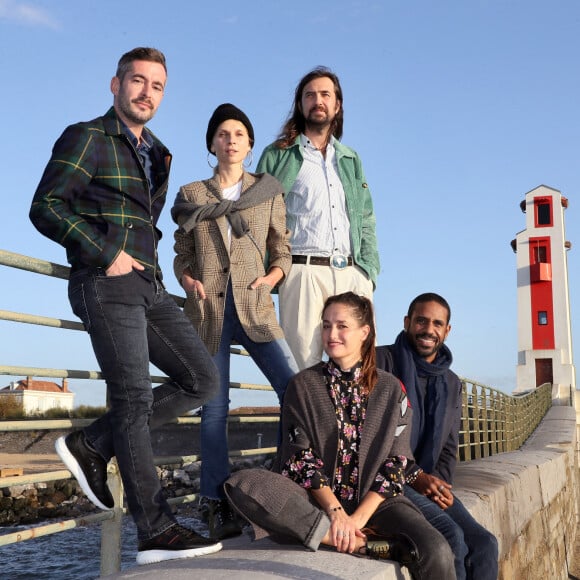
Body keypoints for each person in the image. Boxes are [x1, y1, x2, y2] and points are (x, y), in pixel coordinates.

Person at [29, 47, 223, 565]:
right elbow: (45, 205)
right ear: (115, 86)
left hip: (150, 284)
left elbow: (148, 221)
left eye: (157, 86)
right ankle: (156, 531)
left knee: (203, 380)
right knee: (134, 398)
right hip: (105, 280)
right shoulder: (88, 136)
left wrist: (152, 268)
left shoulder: (158, 152)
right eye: (137, 81)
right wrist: (106, 253)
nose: (146, 93)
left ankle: (93, 442)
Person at [225, 292, 456, 579]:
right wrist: (337, 515)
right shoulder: (303, 385)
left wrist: (357, 518)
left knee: (436, 548)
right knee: (243, 484)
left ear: (364, 332)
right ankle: (359, 543)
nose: (331, 334)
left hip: (377, 504)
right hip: (316, 503)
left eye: (341, 326)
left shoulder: (392, 390)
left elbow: (398, 463)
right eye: (326, 325)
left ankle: (344, 534)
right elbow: (299, 457)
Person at [172, 103, 299, 541]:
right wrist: (188, 279)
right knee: (214, 407)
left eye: (239, 134)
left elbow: (281, 249)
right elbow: (181, 253)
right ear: (212, 143)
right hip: (208, 311)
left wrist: (271, 278)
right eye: (223, 134)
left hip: (255, 305)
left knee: (295, 391)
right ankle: (216, 503)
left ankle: (287, 480)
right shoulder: (191, 195)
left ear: (249, 143)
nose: (231, 140)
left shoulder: (267, 192)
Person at [256, 67, 380, 370]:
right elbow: (257, 217)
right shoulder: (277, 155)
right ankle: (305, 420)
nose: (318, 100)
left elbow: (366, 217)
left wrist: (369, 274)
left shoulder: (351, 158)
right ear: (301, 104)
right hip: (302, 272)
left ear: (337, 105)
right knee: (303, 372)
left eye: (325, 94)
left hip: (352, 273)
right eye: (310, 95)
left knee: (358, 371)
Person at [376, 293, 499, 580]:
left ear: (447, 330)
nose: (428, 330)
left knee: (485, 544)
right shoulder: (381, 363)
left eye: (437, 323)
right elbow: (374, 440)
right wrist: (415, 477)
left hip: (426, 482)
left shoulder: (451, 382)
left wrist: (439, 486)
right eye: (421, 321)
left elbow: (449, 447)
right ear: (407, 322)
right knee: (452, 537)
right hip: (388, 480)